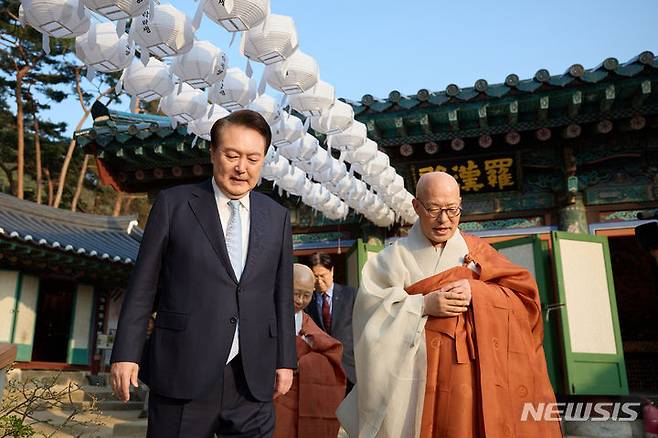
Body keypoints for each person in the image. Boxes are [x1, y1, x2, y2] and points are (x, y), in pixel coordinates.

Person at [109, 109, 296, 438]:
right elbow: (143, 286)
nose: (242, 167)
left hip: (253, 375)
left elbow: (281, 295)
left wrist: (286, 360)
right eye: (232, 155)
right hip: (183, 367)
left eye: (253, 158)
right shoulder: (174, 204)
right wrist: (126, 353)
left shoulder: (277, 217)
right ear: (213, 153)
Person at [337, 172, 561, 438]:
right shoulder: (390, 260)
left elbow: (526, 302)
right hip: (417, 381)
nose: (444, 220)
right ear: (416, 206)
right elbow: (370, 318)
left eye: (452, 210)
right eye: (433, 209)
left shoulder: (479, 253)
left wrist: (478, 292)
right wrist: (422, 304)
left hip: (473, 375)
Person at [273, 263, 346, 438]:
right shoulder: (267, 315)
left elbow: (331, 352)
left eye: (306, 295)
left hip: (301, 394)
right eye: (296, 293)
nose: (299, 300)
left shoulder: (306, 321)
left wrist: (302, 363)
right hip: (275, 394)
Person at [305, 252, 357, 394]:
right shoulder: (308, 301)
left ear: (332, 271)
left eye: (323, 276)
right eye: (315, 276)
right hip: (321, 368)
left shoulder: (351, 295)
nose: (319, 281)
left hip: (349, 367)